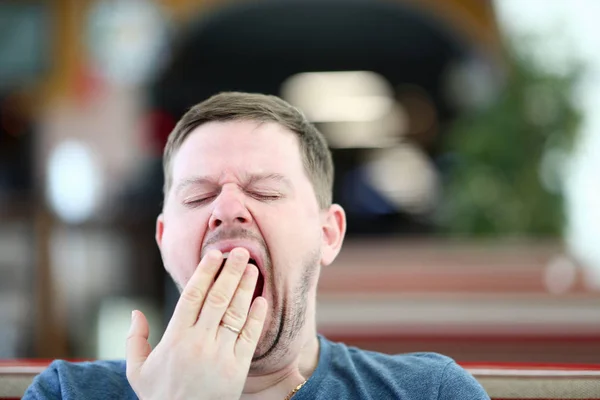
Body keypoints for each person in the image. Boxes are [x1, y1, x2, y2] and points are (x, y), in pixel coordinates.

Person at [24, 92, 489, 399]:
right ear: (164, 242)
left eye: (265, 191)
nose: (227, 208)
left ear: (328, 234)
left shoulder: (430, 393)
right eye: (198, 195)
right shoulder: (65, 393)